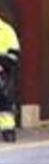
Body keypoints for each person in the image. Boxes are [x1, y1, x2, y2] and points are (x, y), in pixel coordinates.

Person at [0, 11, 19, 143]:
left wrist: (2, 63)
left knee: (4, 101)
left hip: (3, 71)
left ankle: (8, 131)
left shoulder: (6, 30)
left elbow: (14, 56)